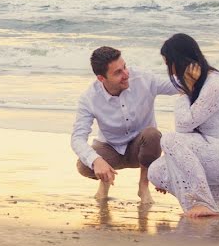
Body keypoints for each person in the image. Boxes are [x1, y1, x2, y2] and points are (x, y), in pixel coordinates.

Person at [148, 34, 219, 218]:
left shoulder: (215, 84)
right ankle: (216, 192)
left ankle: (202, 202)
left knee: (169, 139)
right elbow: (187, 130)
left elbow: (183, 126)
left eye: (170, 64)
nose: (171, 72)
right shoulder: (198, 84)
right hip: (213, 151)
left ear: (181, 60)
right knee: (156, 171)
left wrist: (183, 93)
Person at [71, 46, 181, 203]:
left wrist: (200, 72)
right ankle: (105, 182)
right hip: (111, 149)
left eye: (124, 67)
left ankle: (143, 187)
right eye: (118, 72)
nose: (126, 74)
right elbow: (77, 138)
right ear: (102, 78)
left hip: (142, 148)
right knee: (84, 165)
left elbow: (179, 85)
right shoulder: (89, 98)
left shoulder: (143, 79)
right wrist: (97, 161)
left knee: (152, 135)